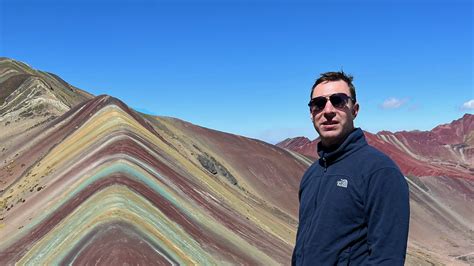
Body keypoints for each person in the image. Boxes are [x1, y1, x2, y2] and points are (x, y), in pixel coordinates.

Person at [291, 71, 410, 265]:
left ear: (354, 110)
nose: (327, 110)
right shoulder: (312, 173)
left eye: (338, 100)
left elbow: (387, 259)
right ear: (311, 113)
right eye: (318, 104)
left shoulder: (380, 172)